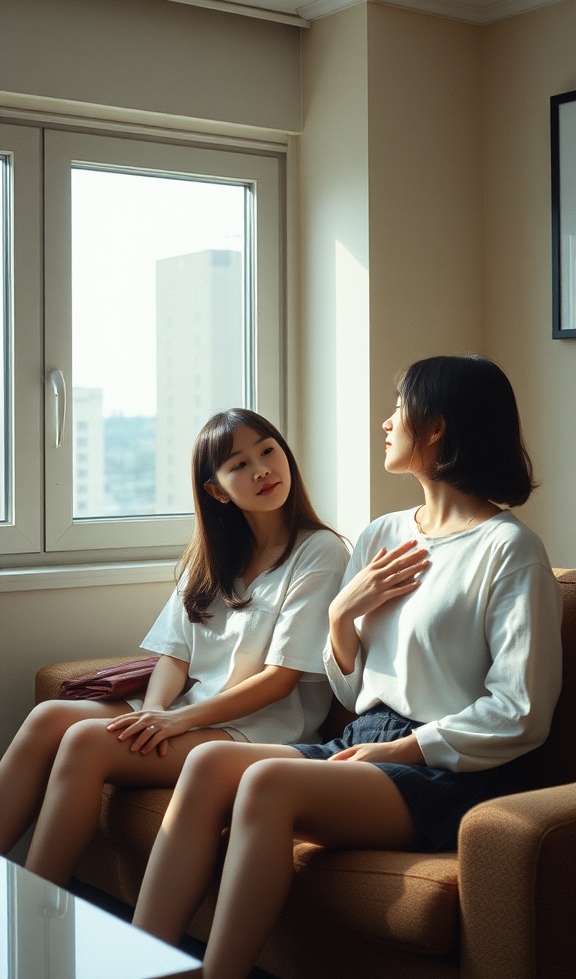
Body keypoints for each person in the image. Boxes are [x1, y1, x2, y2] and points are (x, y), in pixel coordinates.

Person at [131, 355, 563, 979]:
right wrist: (340, 618)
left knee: (264, 784)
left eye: (399, 408)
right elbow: (353, 689)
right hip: (364, 738)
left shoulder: (510, 551)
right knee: (206, 762)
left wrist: (405, 752)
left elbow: (521, 712)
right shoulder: (382, 535)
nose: (387, 423)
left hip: (449, 770)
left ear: (436, 427)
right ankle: (144, 963)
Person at [0, 408, 349, 887]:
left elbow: (280, 680)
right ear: (216, 490)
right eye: (239, 465)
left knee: (85, 741)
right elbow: (174, 655)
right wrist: (158, 710)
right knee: (48, 718)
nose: (262, 469)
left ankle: (34, 915)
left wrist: (177, 720)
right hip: (191, 711)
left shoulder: (321, 552)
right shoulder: (212, 557)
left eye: (268, 451)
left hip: (260, 731)